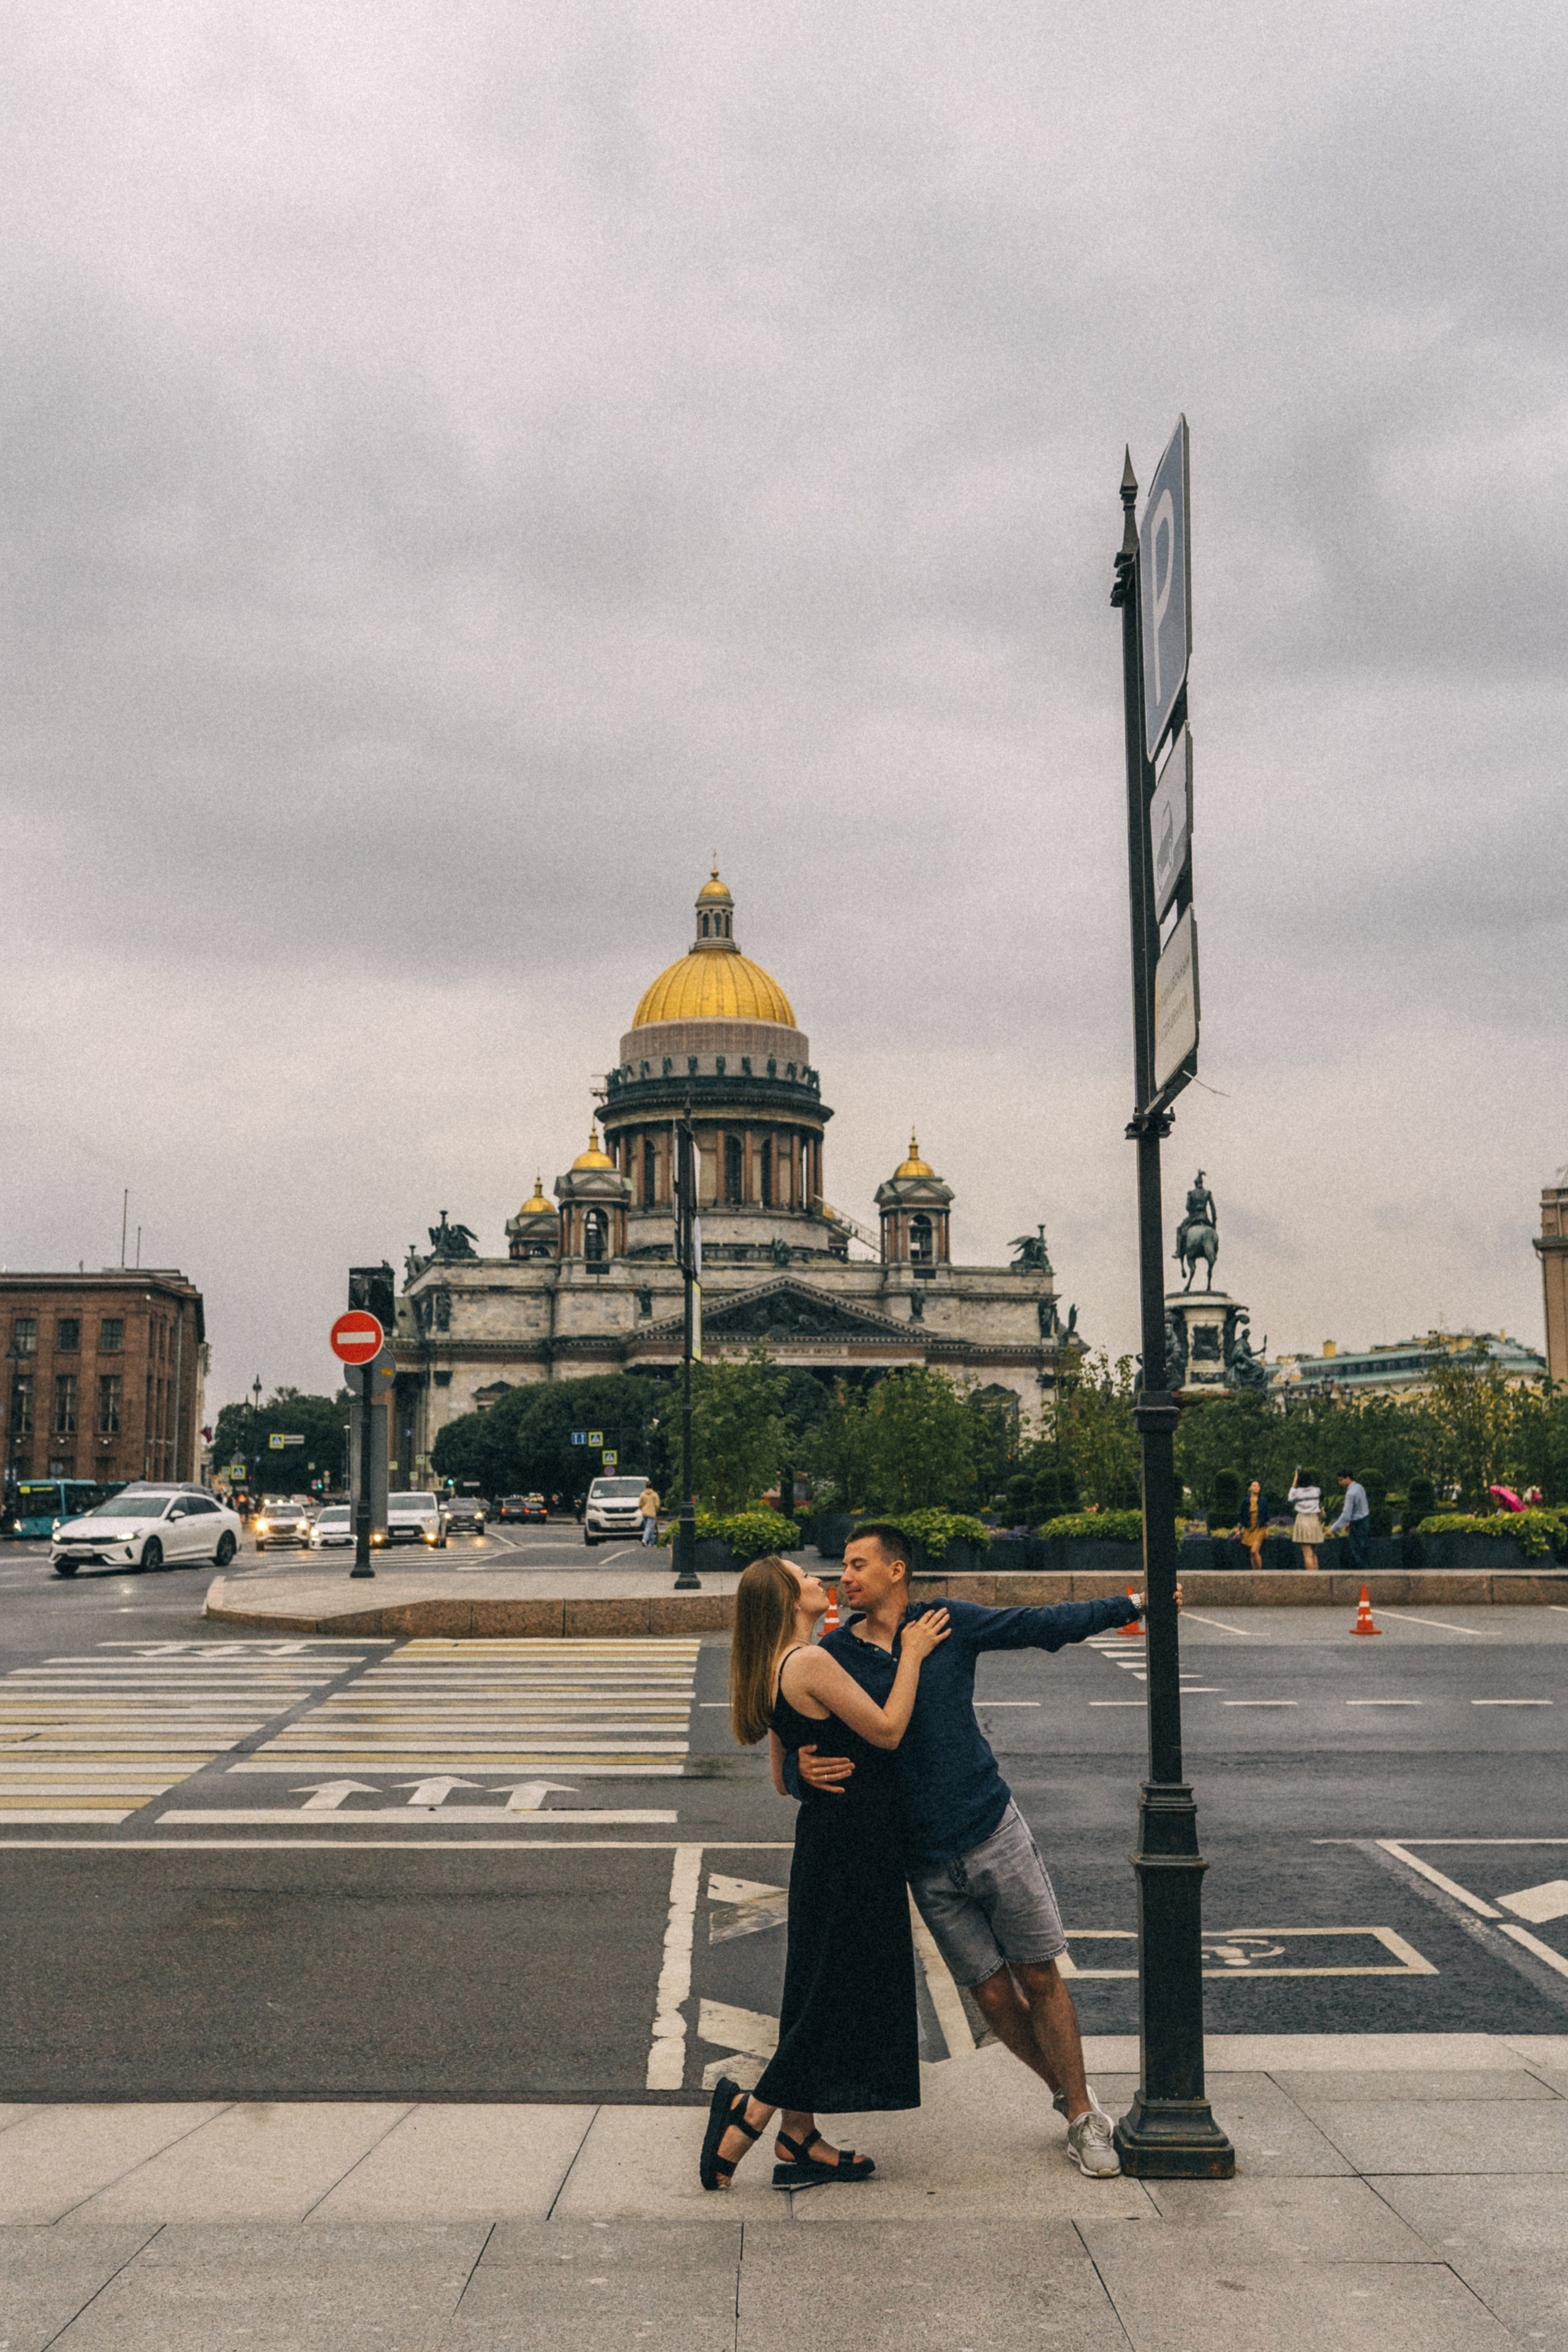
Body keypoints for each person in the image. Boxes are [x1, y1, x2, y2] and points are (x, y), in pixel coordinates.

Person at [794, 1523, 1144, 2180]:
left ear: (896, 1571)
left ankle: (1078, 2113)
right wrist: (796, 1775)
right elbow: (796, 1732)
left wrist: (1129, 1606)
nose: (844, 1576)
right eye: (842, 1565)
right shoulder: (837, 1652)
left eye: (857, 1565)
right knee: (988, 1998)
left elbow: (1037, 1626)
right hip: (921, 1857)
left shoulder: (946, 1621)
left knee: (1039, 1973)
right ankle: (1075, 2099)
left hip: (990, 1827)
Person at [701, 1554, 951, 2193]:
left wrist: (806, 1769)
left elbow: (781, 1780)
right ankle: (747, 2118)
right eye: (806, 1577)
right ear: (789, 1598)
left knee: (813, 1987)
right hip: (853, 1847)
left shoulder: (775, 1665)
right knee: (835, 1990)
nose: (821, 1580)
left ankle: (798, 2133)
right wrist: (914, 1653)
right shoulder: (809, 1662)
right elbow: (889, 1731)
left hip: (827, 1840)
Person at [1330, 1472, 1370, 1575]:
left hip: (1357, 1525)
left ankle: (1362, 1577)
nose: (1340, 1483)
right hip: (1364, 1521)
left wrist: (1332, 1529)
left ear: (1348, 1478)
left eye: (1341, 1480)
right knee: (1364, 1550)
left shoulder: (1351, 1493)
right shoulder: (1360, 1487)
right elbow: (1361, 1507)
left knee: (1357, 1552)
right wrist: (1350, 1523)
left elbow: (1346, 1514)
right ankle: (1368, 1575)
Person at [1287, 1466, 1326, 1570]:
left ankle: (1311, 1580)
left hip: (1303, 1520)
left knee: (1307, 1554)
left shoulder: (1297, 1492)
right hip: (1314, 1520)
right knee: (1314, 1553)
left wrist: (1295, 1481)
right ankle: (1317, 1577)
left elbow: (1290, 1498)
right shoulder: (1317, 1491)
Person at [1240, 1477, 1268, 1569]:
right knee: (1252, 1554)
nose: (1257, 1488)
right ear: (1250, 1488)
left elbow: (1267, 1515)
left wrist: (1267, 1529)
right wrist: (1239, 1529)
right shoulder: (1245, 1501)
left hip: (1260, 1528)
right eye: (1254, 1486)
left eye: (1258, 1486)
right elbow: (1241, 1515)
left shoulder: (1263, 1501)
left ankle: (1259, 1574)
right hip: (1249, 1528)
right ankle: (1255, 1574)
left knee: (1254, 1551)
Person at [637, 1480, 661, 1546]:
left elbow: (640, 1504)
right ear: (652, 1487)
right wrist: (657, 1509)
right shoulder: (655, 1495)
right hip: (652, 1513)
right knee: (649, 1528)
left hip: (644, 1512)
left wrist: (642, 1509)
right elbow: (657, 1505)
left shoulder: (642, 1494)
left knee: (648, 1527)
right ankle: (645, 1540)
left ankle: (651, 1542)